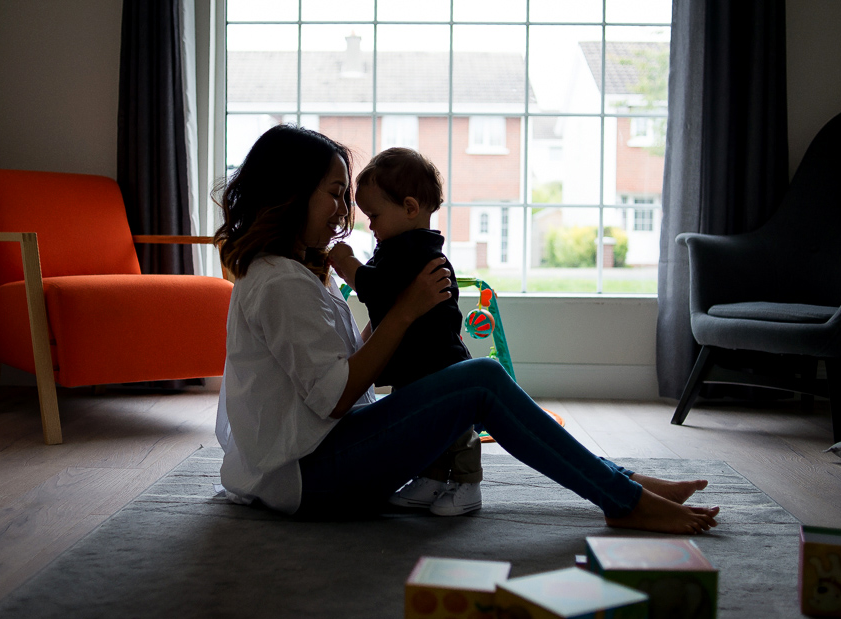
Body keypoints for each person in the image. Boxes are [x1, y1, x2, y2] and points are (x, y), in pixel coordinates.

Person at [213, 124, 720, 535]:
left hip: (317, 459)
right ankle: (622, 497)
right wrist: (406, 312)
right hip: (312, 477)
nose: (345, 213)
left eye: (348, 199)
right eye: (334, 195)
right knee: (481, 379)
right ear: (291, 193)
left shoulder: (290, 274)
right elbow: (334, 397)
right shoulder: (279, 284)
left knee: (474, 378)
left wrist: (400, 320)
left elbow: (339, 370)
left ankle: (624, 484)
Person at [328, 147, 482, 517]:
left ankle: (467, 482)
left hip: (435, 360)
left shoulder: (411, 251)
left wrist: (347, 263)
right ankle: (430, 477)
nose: (371, 226)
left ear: (411, 208)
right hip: (413, 360)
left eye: (375, 215)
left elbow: (376, 288)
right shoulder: (405, 248)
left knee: (455, 429)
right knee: (422, 427)